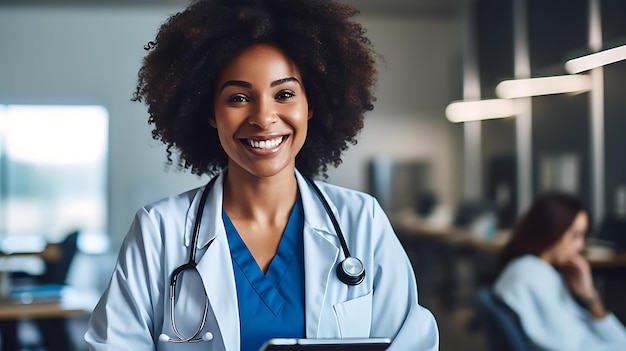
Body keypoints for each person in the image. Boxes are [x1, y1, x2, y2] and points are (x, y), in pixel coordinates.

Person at [84, 0, 439, 350]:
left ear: (310, 105)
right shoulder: (159, 230)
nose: (263, 117)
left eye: (284, 94)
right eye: (238, 98)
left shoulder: (363, 221)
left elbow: (410, 342)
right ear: (210, 113)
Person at [493, 192, 626, 350]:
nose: (580, 246)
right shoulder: (532, 277)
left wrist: (590, 296)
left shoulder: (533, 271)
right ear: (552, 232)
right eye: (575, 236)